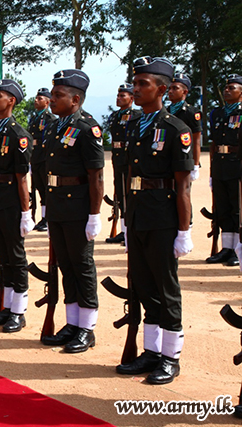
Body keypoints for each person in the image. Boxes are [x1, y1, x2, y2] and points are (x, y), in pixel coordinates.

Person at [115, 56, 193, 384]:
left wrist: (184, 231)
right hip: (138, 213)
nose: (136, 89)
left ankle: (170, 357)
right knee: (144, 284)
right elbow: (127, 174)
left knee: (166, 286)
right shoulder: (134, 125)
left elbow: (183, 185)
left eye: (142, 84)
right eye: (134, 83)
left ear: (161, 88)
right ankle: (151, 351)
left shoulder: (177, 129)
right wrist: (125, 218)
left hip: (163, 215)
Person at [40, 69, 104, 354]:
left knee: (82, 265)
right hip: (57, 205)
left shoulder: (87, 128)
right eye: (52, 94)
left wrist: (94, 214)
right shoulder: (55, 126)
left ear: (76, 99)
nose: (52, 99)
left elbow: (96, 177)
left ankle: (87, 328)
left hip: (78, 206)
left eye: (58, 95)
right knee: (65, 264)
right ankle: (72, 323)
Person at [0, 79, 34, 332]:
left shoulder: (18, 134)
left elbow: (22, 177)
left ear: (10, 101)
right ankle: (7, 307)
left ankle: (19, 311)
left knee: (15, 255)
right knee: (2, 255)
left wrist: (26, 212)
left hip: (12, 197)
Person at [208, 74, 242, 266]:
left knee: (237, 209)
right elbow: (213, 143)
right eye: (226, 87)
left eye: (232, 88)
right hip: (220, 164)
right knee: (223, 209)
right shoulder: (217, 113)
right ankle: (227, 248)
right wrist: (212, 169)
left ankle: (238, 250)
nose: (227, 90)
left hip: (237, 163)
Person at [105, 83, 142, 244]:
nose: (119, 98)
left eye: (123, 96)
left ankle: (131, 230)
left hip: (128, 158)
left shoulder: (136, 115)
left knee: (129, 194)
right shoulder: (115, 116)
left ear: (132, 98)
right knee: (119, 193)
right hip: (117, 157)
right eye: (118, 95)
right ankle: (123, 229)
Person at [28, 88, 56, 232]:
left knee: (46, 189)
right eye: (36, 98)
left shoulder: (50, 119)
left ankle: (47, 217)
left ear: (47, 102)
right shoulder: (34, 118)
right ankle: (42, 217)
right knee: (38, 188)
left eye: (40, 98)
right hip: (35, 157)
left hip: (44, 158)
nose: (36, 101)